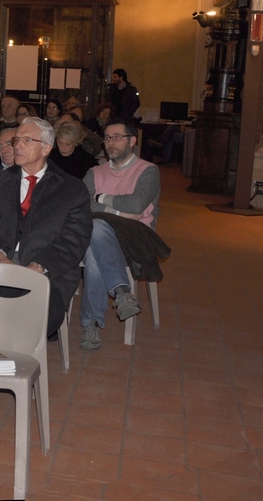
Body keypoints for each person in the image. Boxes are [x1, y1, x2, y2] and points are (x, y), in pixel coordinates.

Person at [0, 117, 91, 344]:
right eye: (16, 140)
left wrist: (38, 267)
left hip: (46, 270)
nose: (17, 146)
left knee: (19, 309)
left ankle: (2, 359)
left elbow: (74, 239)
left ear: (46, 148)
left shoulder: (71, 189)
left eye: (27, 140)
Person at [79, 119, 160, 352]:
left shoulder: (148, 171)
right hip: (102, 241)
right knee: (96, 241)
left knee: (96, 231)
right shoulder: (94, 172)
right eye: (107, 138)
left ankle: (91, 323)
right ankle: (121, 293)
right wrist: (116, 211)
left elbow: (136, 204)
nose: (110, 143)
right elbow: (82, 204)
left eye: (117, 137)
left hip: (136, 241)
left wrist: (101, 199)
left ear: (132, 141)